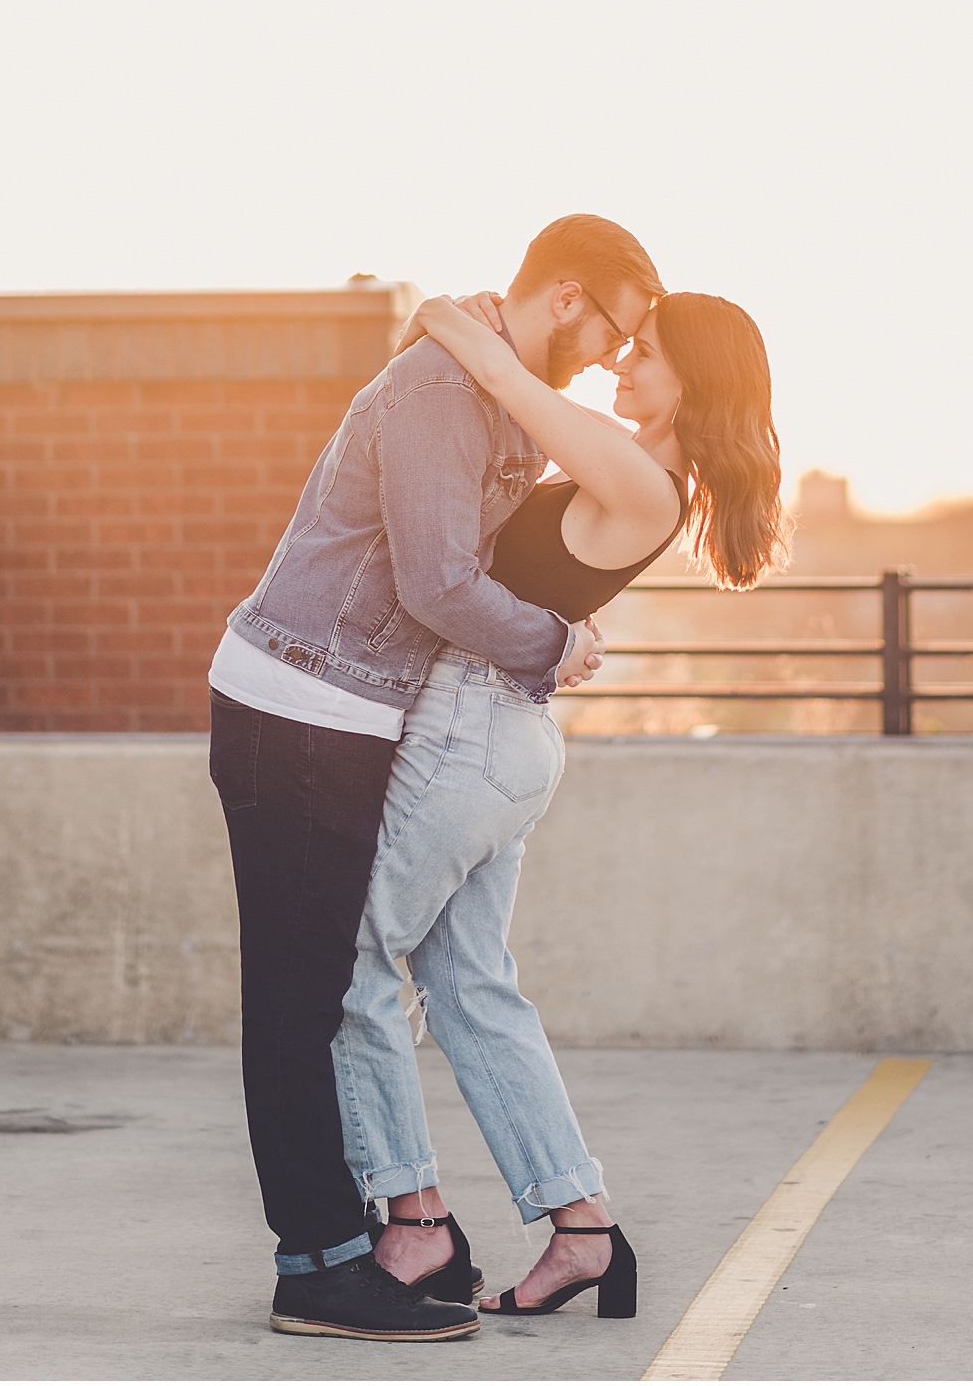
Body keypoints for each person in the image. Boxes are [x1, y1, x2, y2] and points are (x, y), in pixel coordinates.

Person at [206, 214, 664, 1343]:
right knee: (309, 991)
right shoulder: (439, 396)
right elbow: (438, 584)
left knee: (340, 977)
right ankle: (320, 1266)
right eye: (611, 329)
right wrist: (557, 644)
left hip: (361, 714)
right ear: (566, 299)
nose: (613, 357)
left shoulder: (492, 387)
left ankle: (396, 1236)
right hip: (300, 701)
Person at [332, 286, 787, 1321]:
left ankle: (415, 1226)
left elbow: (502, 381)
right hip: (492, 731)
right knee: (470, 987)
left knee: (346, 954)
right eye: (624, 352)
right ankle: (582, 1231)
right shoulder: (646, 475)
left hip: (472, 734)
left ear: (693, 383)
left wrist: (443, 313)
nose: (622, 368)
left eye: (646, 357)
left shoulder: (639, 473)